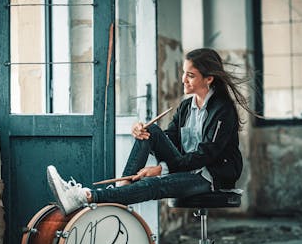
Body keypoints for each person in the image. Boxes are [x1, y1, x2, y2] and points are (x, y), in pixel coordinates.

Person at [47, 48, 251, 215]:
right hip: (185, 166)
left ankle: (84, 195)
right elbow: (170, 138)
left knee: (155, 184)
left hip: (209, 176)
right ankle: (122, 194)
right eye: (183, 73)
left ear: (209, 79)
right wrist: (141, 131)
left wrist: (162, 169)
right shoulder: (187, 106)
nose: (183, 80)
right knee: (151, 130)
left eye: (190, 75)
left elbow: (206, 155)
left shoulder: (223, 110)